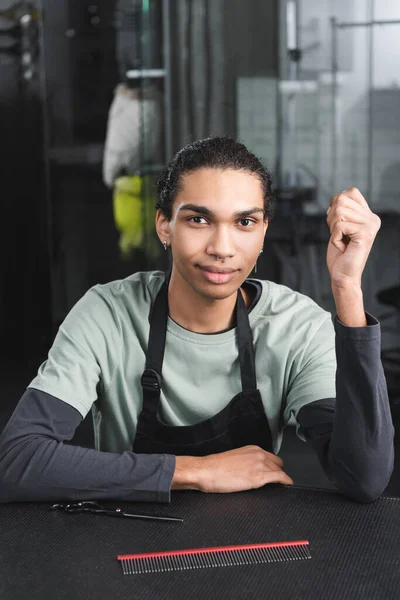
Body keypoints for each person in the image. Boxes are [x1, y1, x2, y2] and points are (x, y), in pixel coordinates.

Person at [0, 137, 394, 504]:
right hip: (124, 543)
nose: (222, 249)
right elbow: (17, 460)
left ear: (262, 233)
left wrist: (347, 288)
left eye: (244, 223)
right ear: (164, 226)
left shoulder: (297, 327)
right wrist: (196, 471)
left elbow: (363, 477)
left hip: (255, 552)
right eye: (199, 220)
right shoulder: (107, 314)